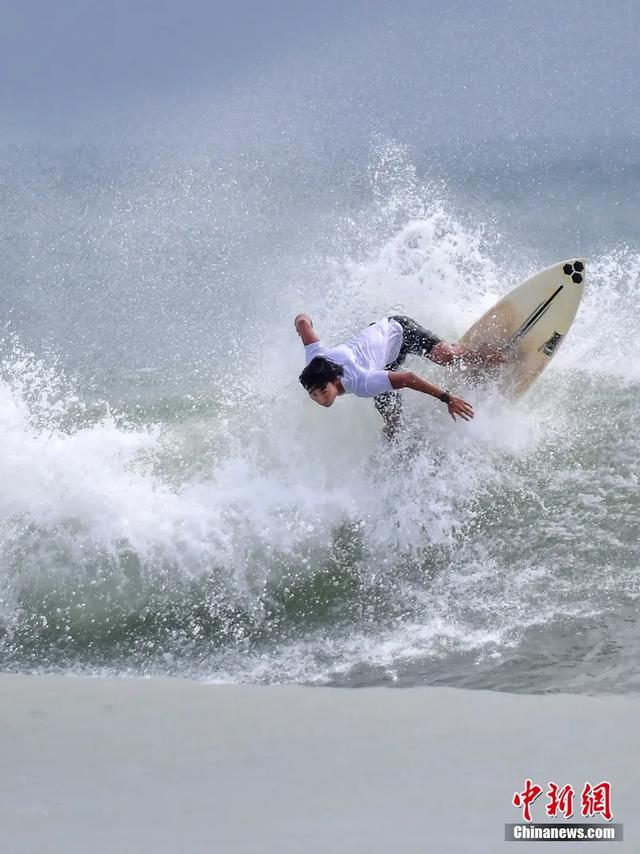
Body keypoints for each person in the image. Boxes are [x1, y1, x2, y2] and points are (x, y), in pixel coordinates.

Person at [295, 313, 503, 439]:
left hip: (399, 332)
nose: (321, 399)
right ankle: (400, 456)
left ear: (336, 380)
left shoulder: (361, 382)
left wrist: (446, 398)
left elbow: (408, 378)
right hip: (381, 363)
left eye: (323, 391)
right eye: (314, 395)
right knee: (392, 422)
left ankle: (480, 353)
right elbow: (303, 322)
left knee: (445, 356)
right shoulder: (315, 360)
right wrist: (299, 322)